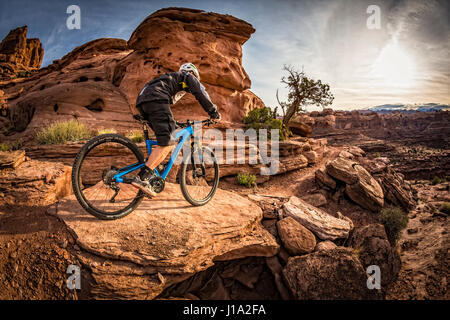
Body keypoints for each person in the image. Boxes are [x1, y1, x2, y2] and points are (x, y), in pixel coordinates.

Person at [130, 62, 221, 197]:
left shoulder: (170, 80)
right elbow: (200, 92)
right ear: (193, 73)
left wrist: (175, 124)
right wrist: (213, 112)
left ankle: (153, 170)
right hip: (156, 99)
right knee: (167, 143)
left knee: (167, 136)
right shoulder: (187, 76)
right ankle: (142, 177)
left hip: (143, 101)